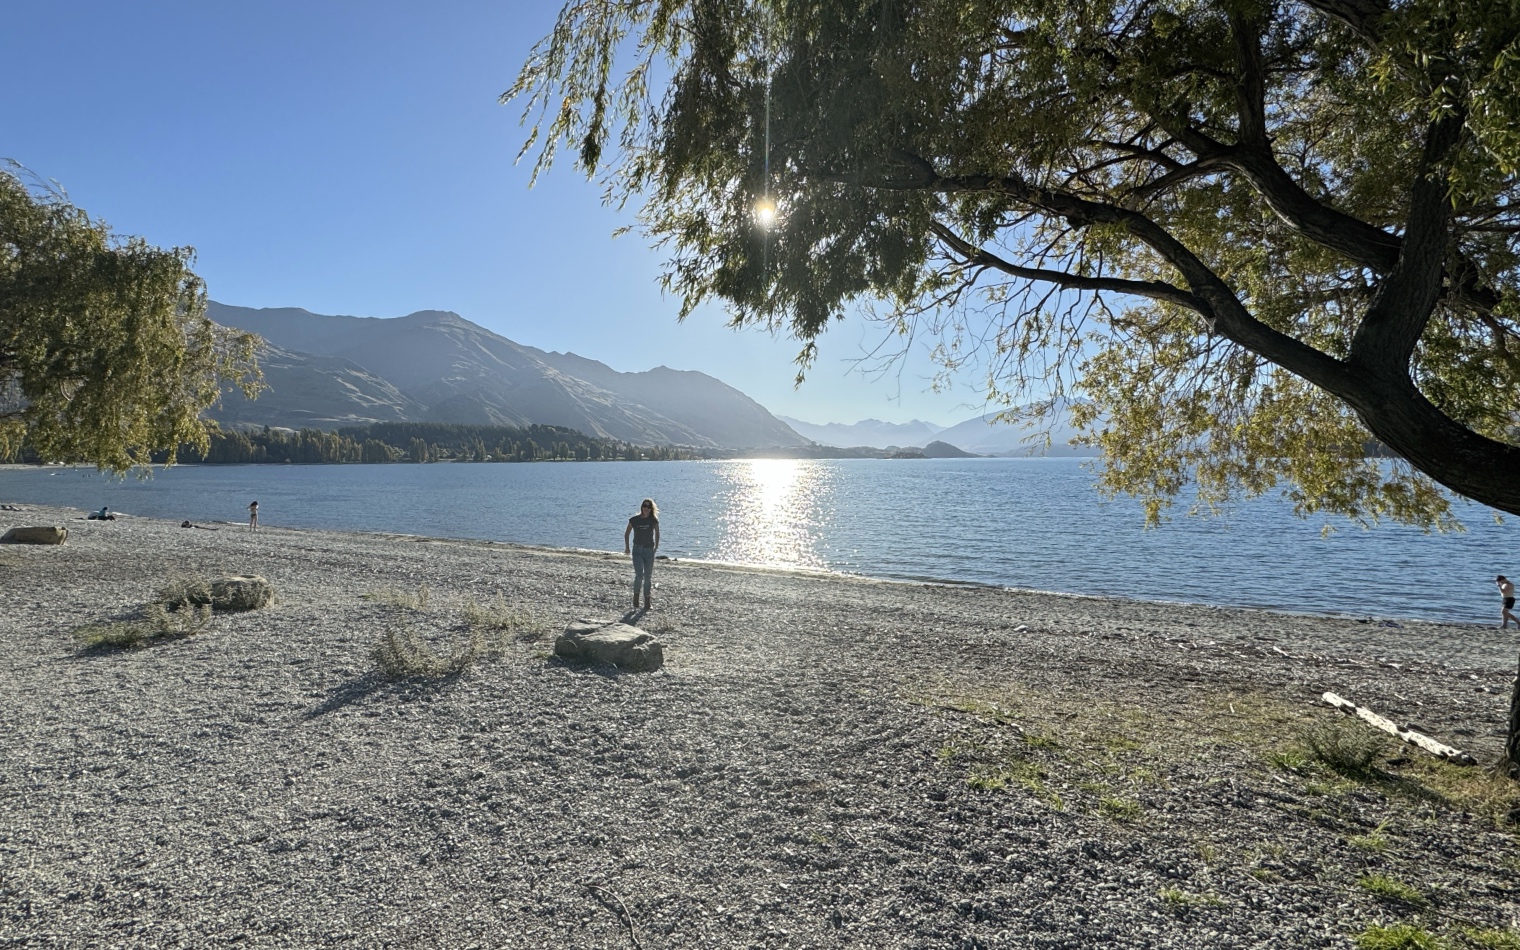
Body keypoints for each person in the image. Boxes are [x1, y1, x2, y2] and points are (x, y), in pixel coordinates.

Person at [623, 498, 660, 610]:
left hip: (649, 550)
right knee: (639, 575)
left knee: (648, 576)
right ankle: (636, 597)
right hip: (637, 550)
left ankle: (647, 600)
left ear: (651, 509)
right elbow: (627, 533)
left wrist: (656, 547)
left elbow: (657, 533)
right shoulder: (634, 520)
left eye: (649, 507)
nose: (646, 508)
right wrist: (627, 548)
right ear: (642, 507)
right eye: (645, 506)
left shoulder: (653, 520)